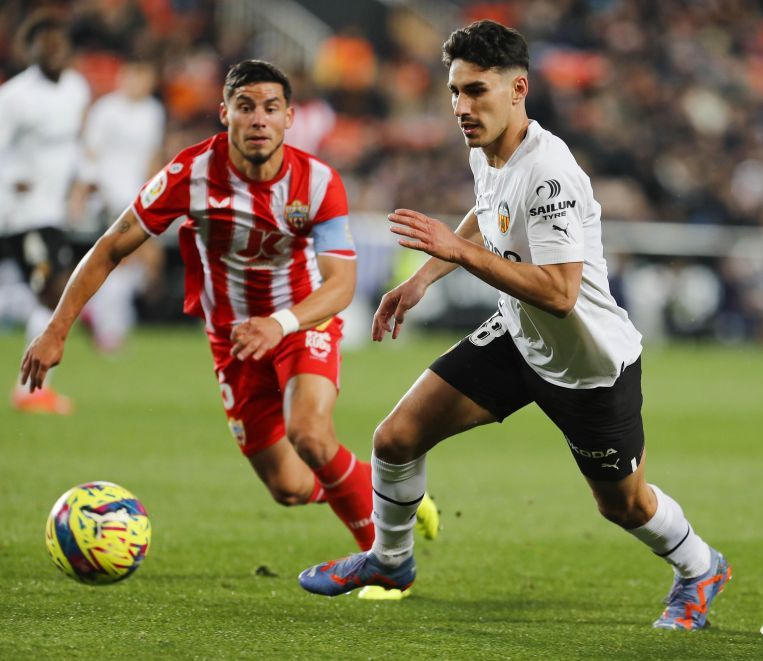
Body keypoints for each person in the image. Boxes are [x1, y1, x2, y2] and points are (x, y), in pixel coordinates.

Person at [299, 21, 731, 630]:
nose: (460, 107)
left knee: (622, 504)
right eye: (454, 91)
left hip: (589, 367)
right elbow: (489, 207)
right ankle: (390, 560)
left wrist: (458, 254)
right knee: (394, 440)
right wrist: (426, 276)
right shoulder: (489, 146)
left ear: (518, 88)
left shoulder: (549, 173)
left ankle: (700, 566)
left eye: (475, 91)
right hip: (518, 337)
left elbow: (559, 294)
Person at [19, 59, 437, 555]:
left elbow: (341, 285)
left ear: (289, 118)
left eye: (270, 108)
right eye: (245, 107)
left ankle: (384, 562)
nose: (258, 118)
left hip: (302, 320)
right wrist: (56, 329)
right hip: (232, 338)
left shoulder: (318, 183)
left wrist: (279, 323)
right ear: (224, 114)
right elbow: (111, 247)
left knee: (309, 433)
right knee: (288, 487)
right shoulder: (190, 174)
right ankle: (386, 492)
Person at [1, 10, 90, 414]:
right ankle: (31, 392)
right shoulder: (14, 96)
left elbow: (75, 143)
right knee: (53, 293)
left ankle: (33, 392)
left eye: (59, 43)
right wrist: (13, 178)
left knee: (49, 297)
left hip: (53, 213)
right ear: (29, 49)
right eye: (44, 44)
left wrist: (81, 185)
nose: (53, 50)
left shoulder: (76, 89)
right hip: (18, 214)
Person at [72, 57, 166, 352]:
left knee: (142, 263)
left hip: (138, 197)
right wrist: (82, 193)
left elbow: (153, 157)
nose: (140, 84)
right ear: (124, 78)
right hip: (110, 195)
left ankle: (100, 315)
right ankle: (109, 327)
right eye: (135, 77)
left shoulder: (153, 111)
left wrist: (158, 197)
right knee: (128, 259)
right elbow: (90, 153)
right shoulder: (107, 109)